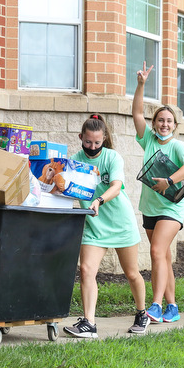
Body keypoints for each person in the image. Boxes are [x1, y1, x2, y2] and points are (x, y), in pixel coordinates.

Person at [63, 113, 149, 338]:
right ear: (81, 137)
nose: (92, 146)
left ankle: (142, 313)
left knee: (131, 274)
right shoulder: (75, 160)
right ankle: (89, 322)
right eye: (88, 142)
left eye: (97, 143)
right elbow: (66, 187)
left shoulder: (112, 158)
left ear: (104, 139)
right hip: (93, 224)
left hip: (120, 222)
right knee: (86, 270)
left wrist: (99, 200)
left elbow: (117, 186)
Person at [132, 62, 184, 324]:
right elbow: (136, 113)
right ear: (155, 122)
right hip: (149, 207)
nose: (164, 124)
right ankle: (173, 306)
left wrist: (169, 181)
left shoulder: (179, 146)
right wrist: (140, 85)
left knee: (157, 252)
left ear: (174, 125)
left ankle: (156, 305)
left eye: (169, 121)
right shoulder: (147, 139)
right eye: (160, 120)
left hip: (171, 208)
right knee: (165, 257)